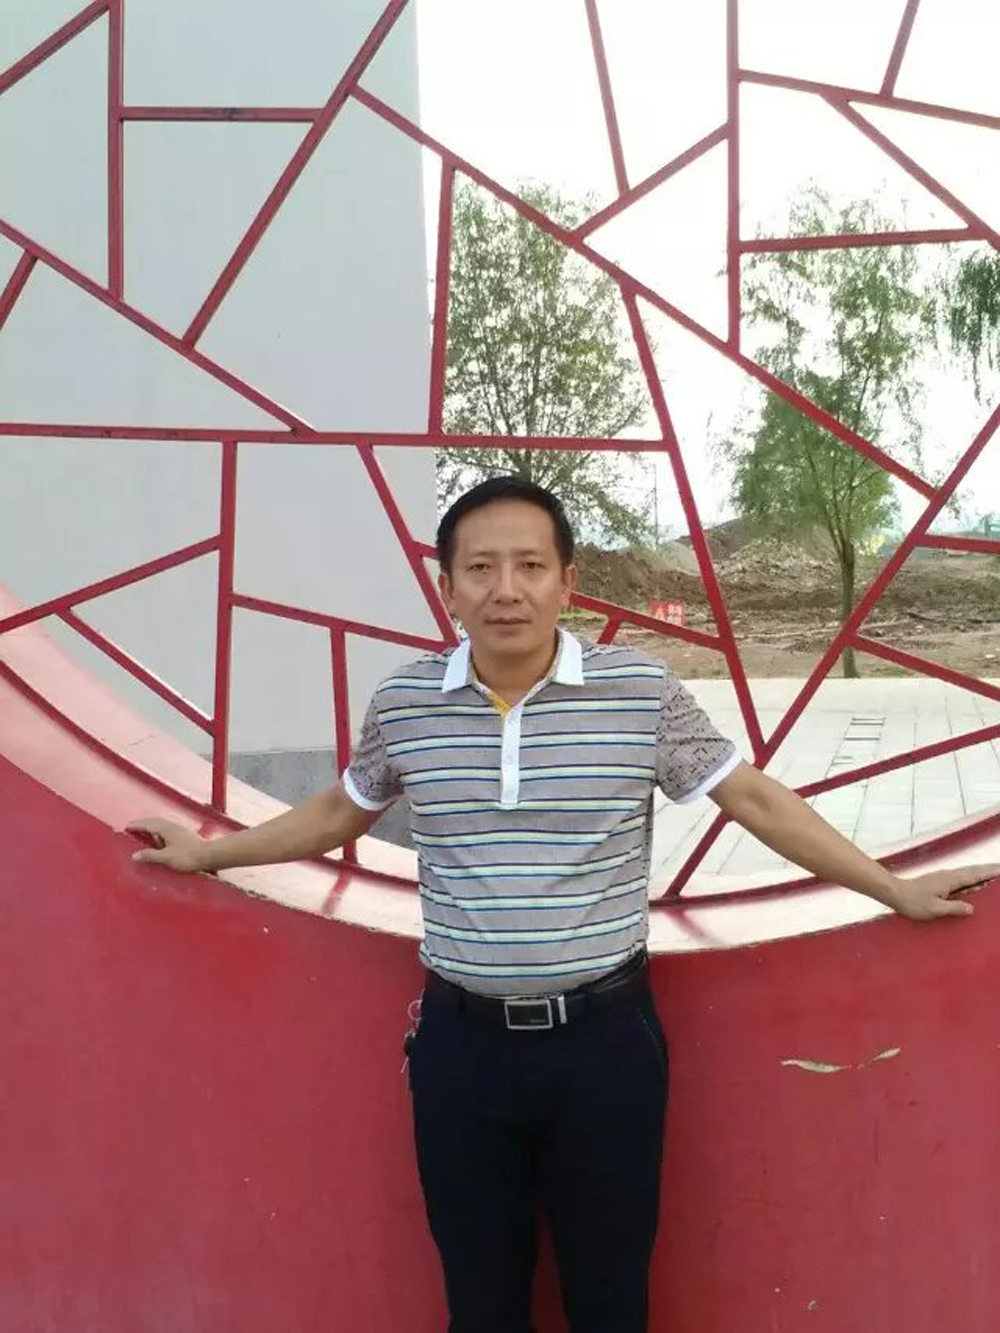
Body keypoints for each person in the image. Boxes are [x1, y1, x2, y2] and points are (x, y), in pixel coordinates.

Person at [129, 477, 997, 1333]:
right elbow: (335, 813)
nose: (506, 589)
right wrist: (207, 852)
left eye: (530, 565)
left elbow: (754, 801)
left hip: (605, 1048)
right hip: (461, 1050)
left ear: (567, 581)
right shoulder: (405, 704)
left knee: (609, 1302)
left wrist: (891, 887)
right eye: (481, 568)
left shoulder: (640, 693)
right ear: (448, 587)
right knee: (481, 1303)